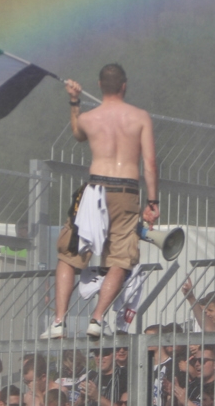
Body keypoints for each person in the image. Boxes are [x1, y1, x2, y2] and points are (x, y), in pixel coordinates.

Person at [44, 64, 160, 339]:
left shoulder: (89, 118)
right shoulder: (140, 117)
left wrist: (74, 100)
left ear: (99, 85)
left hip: (95, 189)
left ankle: (59, 322)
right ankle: (97, 318)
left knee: (69, 254)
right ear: (124, 86)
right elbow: (150, 163)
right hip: (127, 190)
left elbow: (77, 133)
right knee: (121, 257)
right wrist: (152, 201)